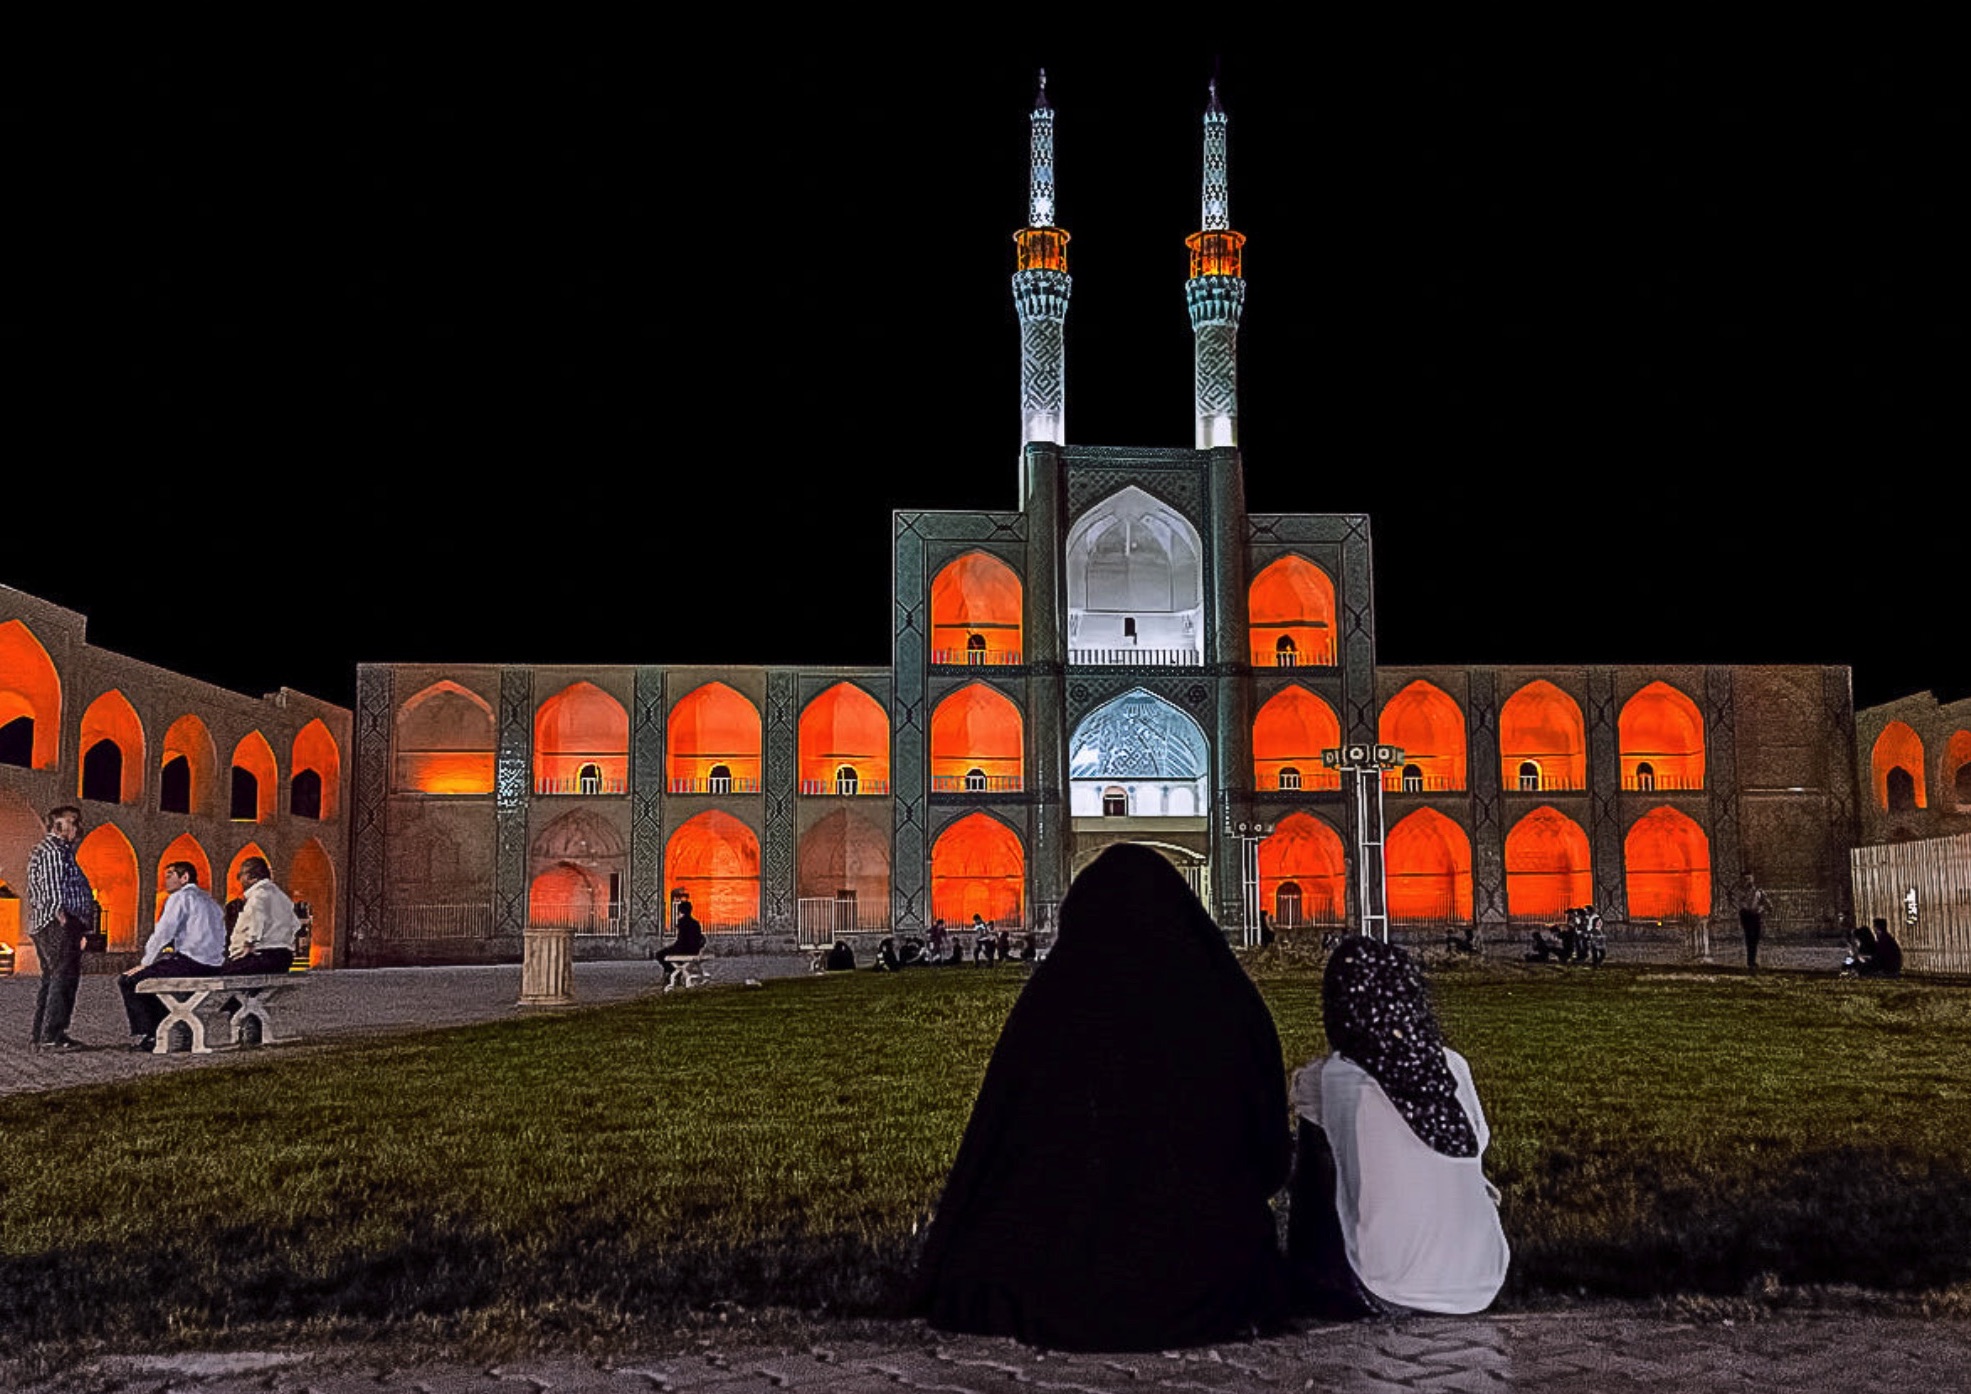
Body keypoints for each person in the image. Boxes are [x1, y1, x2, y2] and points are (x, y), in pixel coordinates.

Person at [913, 843, 1289, 1351]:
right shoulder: (1223, 1003)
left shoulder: (1054, 1006)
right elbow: (1270, 1158)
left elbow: (997, 1145)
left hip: (1058, 1281)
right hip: (1210, 1281)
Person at [1288, 935, 1509, 1318]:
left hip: (1384, 1287)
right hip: (1483, 1280)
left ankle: (1306, 1281)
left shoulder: (1330, 1078)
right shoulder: (1453, 1066)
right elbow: (1478, 1143)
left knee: (1317, 1154)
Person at [118, 860, 227, 1051]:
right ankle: (171, 1026)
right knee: (161, 972)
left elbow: (163, 932)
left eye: (170, 875)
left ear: (184, 878)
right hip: (214, 964)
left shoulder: (181, 897)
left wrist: (145, 963)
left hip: (192, 962)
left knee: (129, 980)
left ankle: (152, 1034)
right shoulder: (210, 901)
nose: (165, 881)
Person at [26, 805, 96, 1050]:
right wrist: (63, 919)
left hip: (53, 922)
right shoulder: (54, 850)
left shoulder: (57, 851)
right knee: (64, 978)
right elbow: (53, 887)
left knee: (53, 978)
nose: (78, 826)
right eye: (72, 822)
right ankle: (52, 1036)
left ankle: (42, 1034)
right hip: (58, 922)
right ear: (57, 826)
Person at [221, 856, 302, 974]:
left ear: (251, 877)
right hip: (284, 957)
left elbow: (256, 922)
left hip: (261, 956)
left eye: (240, 876)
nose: (240, 881)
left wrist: (249, 944)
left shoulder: (258, 896)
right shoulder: (282, 897)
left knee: (220, 975)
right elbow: (296, 924)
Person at [1733, 871, 1773, 970]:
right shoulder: (1740, 891)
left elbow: (1767, 903)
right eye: (1745, 879)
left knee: (1755, 938)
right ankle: (1750, 961)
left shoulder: (1758, 891)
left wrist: (1762, 908)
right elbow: (1735, 900)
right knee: (1749, 937)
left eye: (1749, 879)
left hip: (1756, 915)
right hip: (1746, 915)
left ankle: (1752, 960)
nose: (1747, 881)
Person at [658, 897, 705, 974]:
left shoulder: (682, 922)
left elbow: (681, 940)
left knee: (660, 954)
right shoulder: (696, 923)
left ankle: (671, 971)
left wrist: (672, 947)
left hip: (684, 950)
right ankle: (675, 971)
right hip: (695, 950)